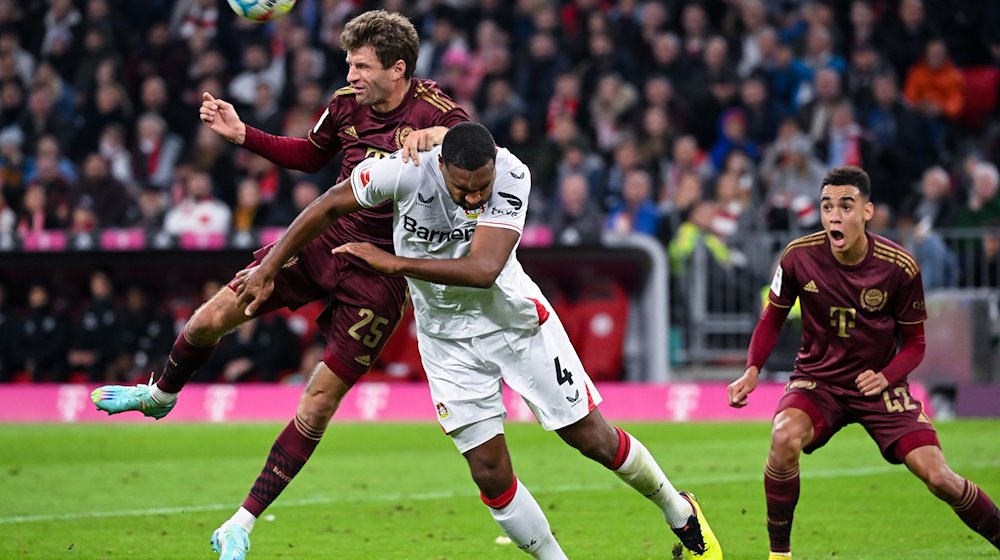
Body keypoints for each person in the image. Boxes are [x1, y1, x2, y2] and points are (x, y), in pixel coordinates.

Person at [233, 122, 722, 560]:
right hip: (446, 343)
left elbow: (485, 270)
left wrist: (396, 264)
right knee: (489, 471)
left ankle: (678, 510)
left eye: (480, 189)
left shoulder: (512, 173)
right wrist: (270, 267)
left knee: (590, 437)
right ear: (439, 166)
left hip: (514, 322)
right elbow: (327, 204)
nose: (472, 199)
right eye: (462, 188)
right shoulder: (401, 171)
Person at [90, 10, 470, 560]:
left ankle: (239, 525)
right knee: (210, 318)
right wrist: (242, 134)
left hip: (382, 274)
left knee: (317, 405)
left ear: (399, 68)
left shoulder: (436, 109)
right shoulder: (344, 105)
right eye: (349, 62)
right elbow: (309, 157)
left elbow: (477, 146)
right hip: (320, 239)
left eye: (361, 65)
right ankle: (160, 395)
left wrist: (441, 137)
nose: (351, 73)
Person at [726, 166, 1000, 559]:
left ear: (867, 212)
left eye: (845, 206)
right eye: (826, 206)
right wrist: (752, 369)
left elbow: (915, 345)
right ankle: (779, 554)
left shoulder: (899, 267)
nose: (834, 215)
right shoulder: (798, 257)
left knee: (940, 478)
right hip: (818, 382)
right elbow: (771, 318)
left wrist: (887, 376)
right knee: (783, 437)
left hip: (880, 387)